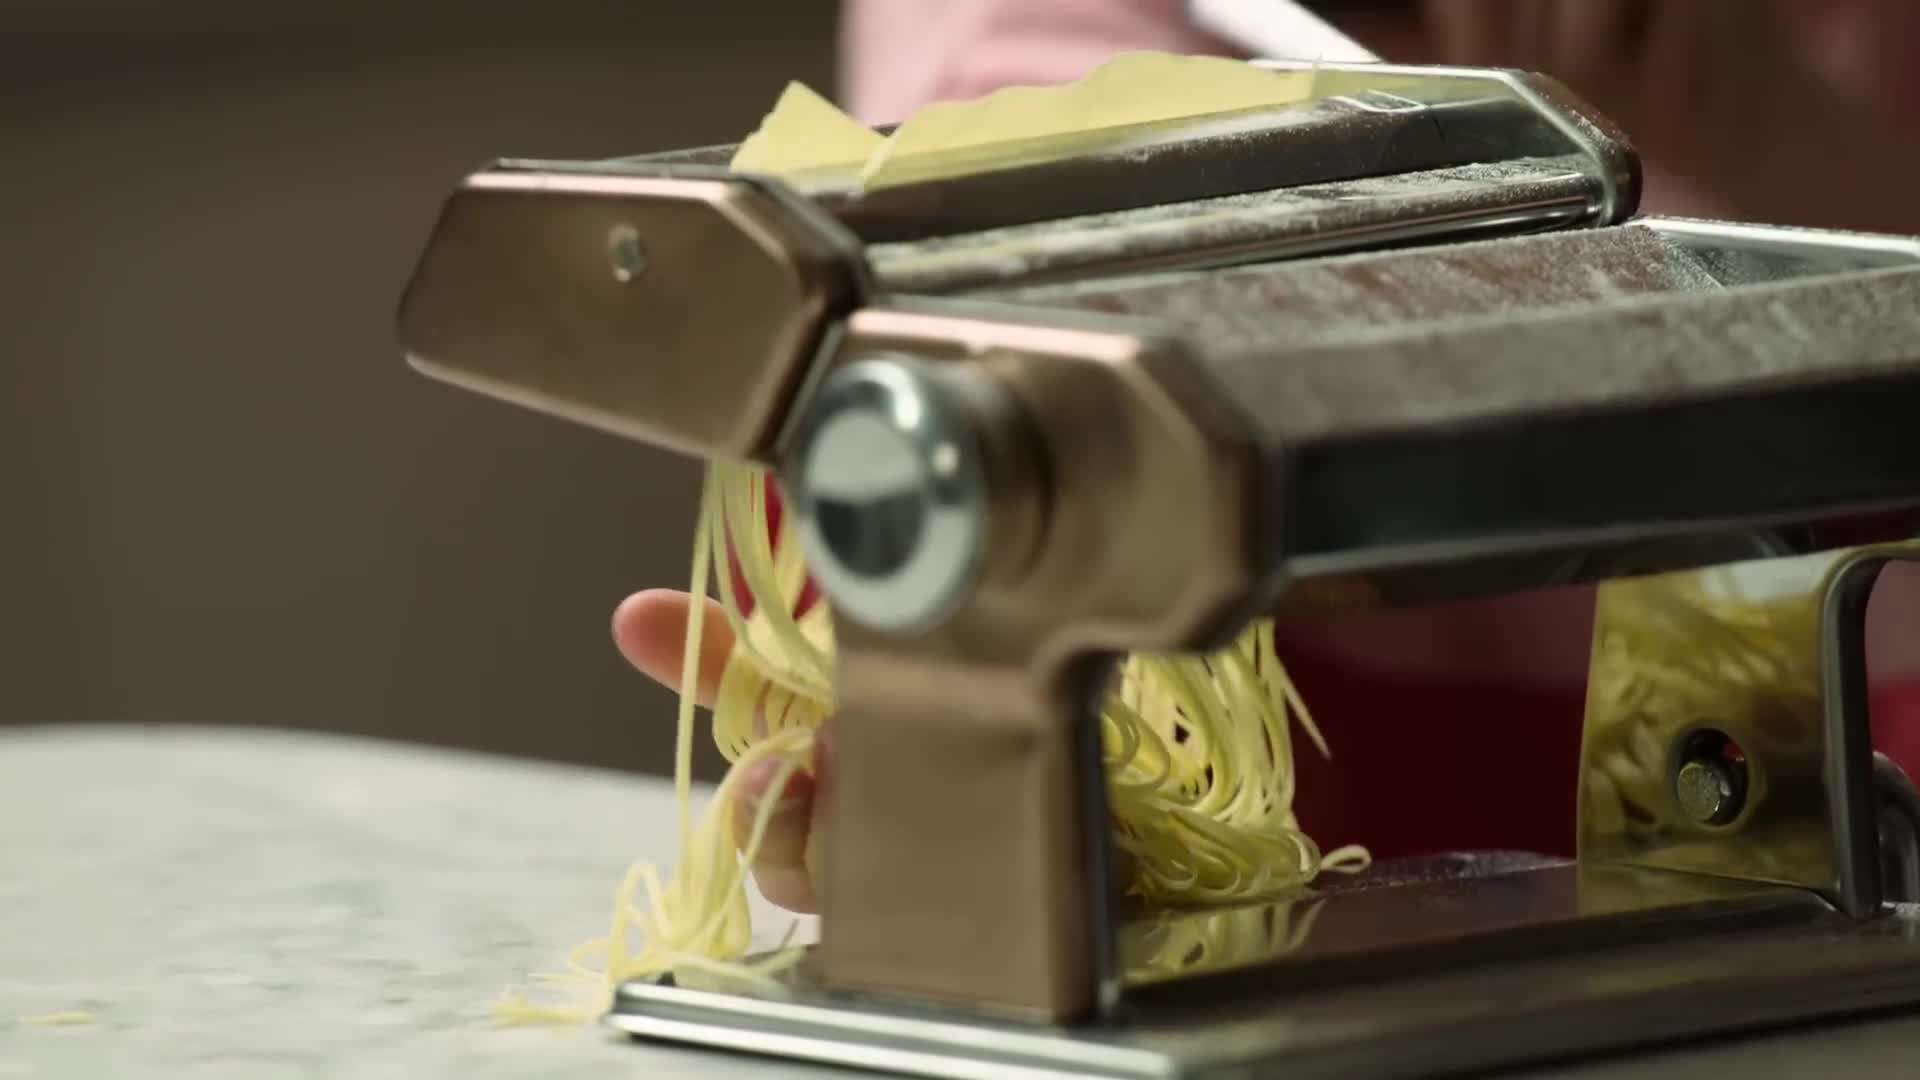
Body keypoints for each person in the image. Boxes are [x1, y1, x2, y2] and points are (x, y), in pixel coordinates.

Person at [617, 0, 1920, 914]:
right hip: (1326, 884)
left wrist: (1828, 189)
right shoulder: (1048, 48)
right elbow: (985, 334)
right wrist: (963, 754)